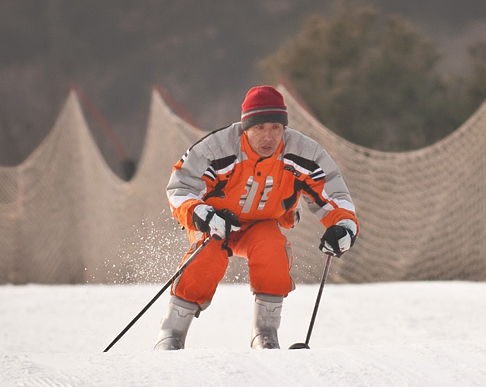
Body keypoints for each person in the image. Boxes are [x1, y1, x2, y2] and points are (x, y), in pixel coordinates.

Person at [154, 85, 359, 350]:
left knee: (273, 248)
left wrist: (343, 227)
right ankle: (171, 333)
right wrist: (201, 214)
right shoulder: (217, 149)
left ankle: (265, 334)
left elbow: (334, 194)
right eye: (259, 128)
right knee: (208, 255)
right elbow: (180, 187)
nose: (268, 137)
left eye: (276, 127)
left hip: (263, 223)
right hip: (217, 223)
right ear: (245, 127)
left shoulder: (304, 153)